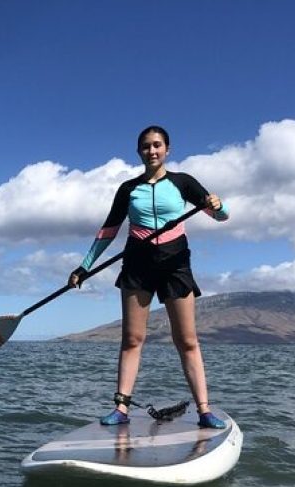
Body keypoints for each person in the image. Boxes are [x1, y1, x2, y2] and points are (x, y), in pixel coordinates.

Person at [68, 125, 229, 428]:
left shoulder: (183, 183)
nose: (152, 151)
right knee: (131, 339)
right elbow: (108, 230)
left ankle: (205, 411)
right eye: (145, 146)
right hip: (137, 266)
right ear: (139, 151)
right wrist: (84, 267)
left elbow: (220, 215)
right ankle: (121, 409)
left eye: (157, 145)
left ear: (168, 149)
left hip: (175, 264)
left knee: (187, 340)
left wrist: (219, 206)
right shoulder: (128, 189)